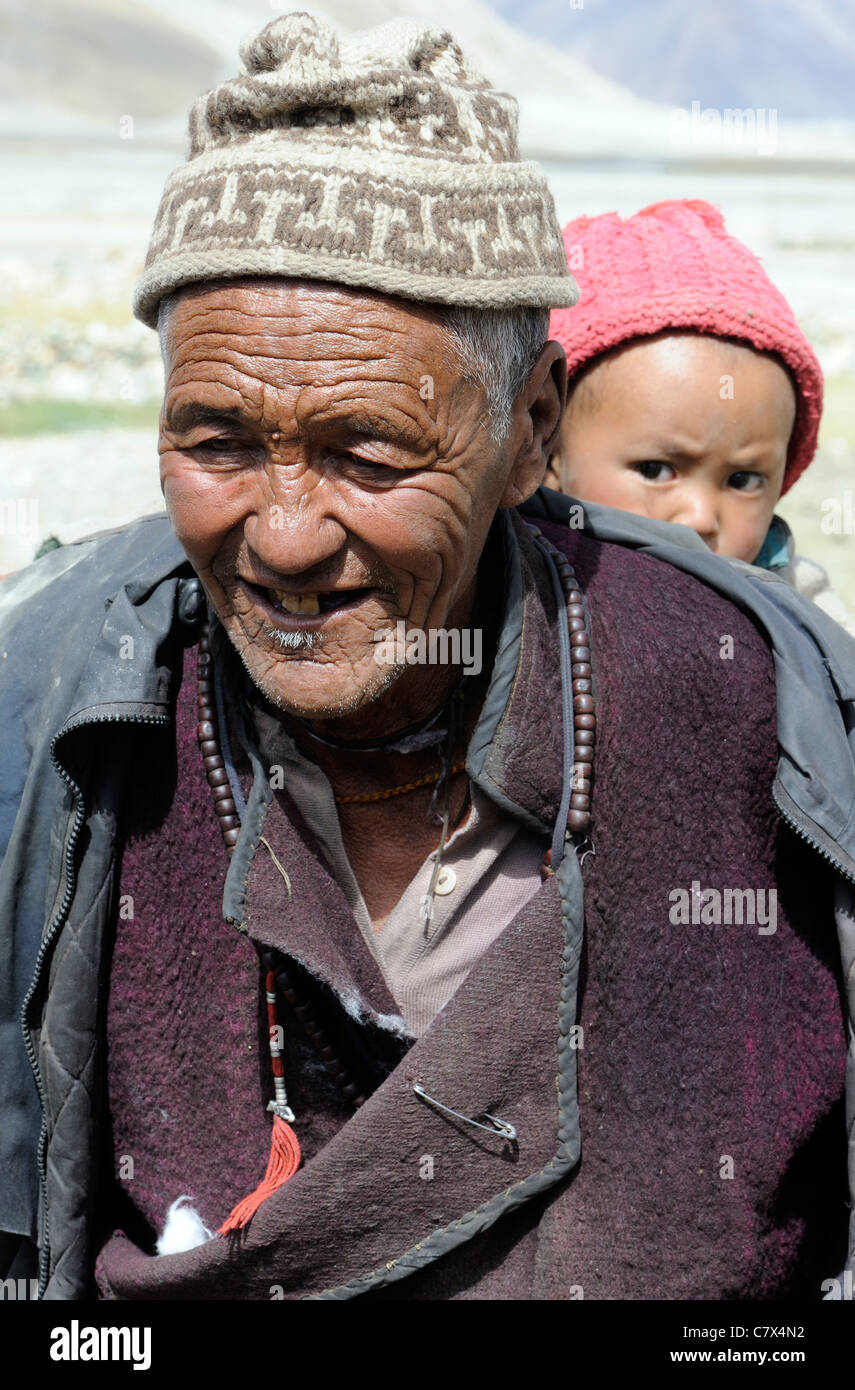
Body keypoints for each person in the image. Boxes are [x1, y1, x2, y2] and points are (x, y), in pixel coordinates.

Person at [1, 13, 854, 1303]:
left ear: (531, 432)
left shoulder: (763, 712)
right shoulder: (63, 710)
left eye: (372, 454)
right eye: (218, 441)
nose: (284, 538)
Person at [546, 200, 855, 637]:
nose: (699, 518)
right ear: (547, 458)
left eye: (744, 480)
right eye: (656, 471)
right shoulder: (520, 593)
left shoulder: (798, 605)